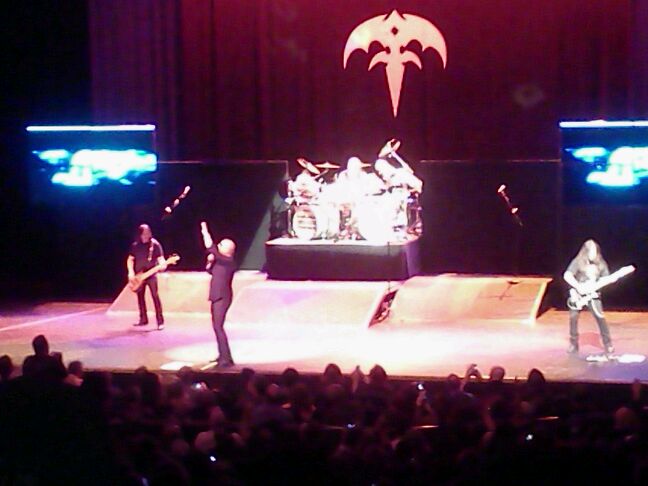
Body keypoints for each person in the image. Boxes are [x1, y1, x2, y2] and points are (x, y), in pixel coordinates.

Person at [563, 239, 614, 354]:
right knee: (573, 318)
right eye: (591, 252)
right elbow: (567, 275)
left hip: (593, 294)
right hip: (577, 295)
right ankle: (573, 344)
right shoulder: (578, 261)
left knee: (600, 317)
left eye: (595, 251)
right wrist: (578, 287)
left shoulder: (601, 263)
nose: (593, 254)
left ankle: (608, 344)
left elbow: (606, 278)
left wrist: (602, 284)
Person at [200, 221, 236, 367]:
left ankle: (226, 358)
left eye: (221, 245)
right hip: (216, 296)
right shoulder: (219, 261)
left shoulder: (227, 260)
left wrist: (204, 230)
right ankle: (223, 354)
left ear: (227, 250)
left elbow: (210, 246)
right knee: (216, 326)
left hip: (222, 297)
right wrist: (209, 262)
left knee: (218, 327)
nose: (218, 246)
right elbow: (210, 270)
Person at [127, 224, 166, 329]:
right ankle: (143, 319)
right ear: (140, 234)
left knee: (155, 296)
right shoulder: (135, 245)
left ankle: (160, 321)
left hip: (151, 275)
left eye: (148, 232)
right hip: (139, 276)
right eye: (144, 233)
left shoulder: (155, 245)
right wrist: (130, 272)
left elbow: (161, 258)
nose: (147, 234)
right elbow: (130, 259)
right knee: (140, 297)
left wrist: (163, 264)